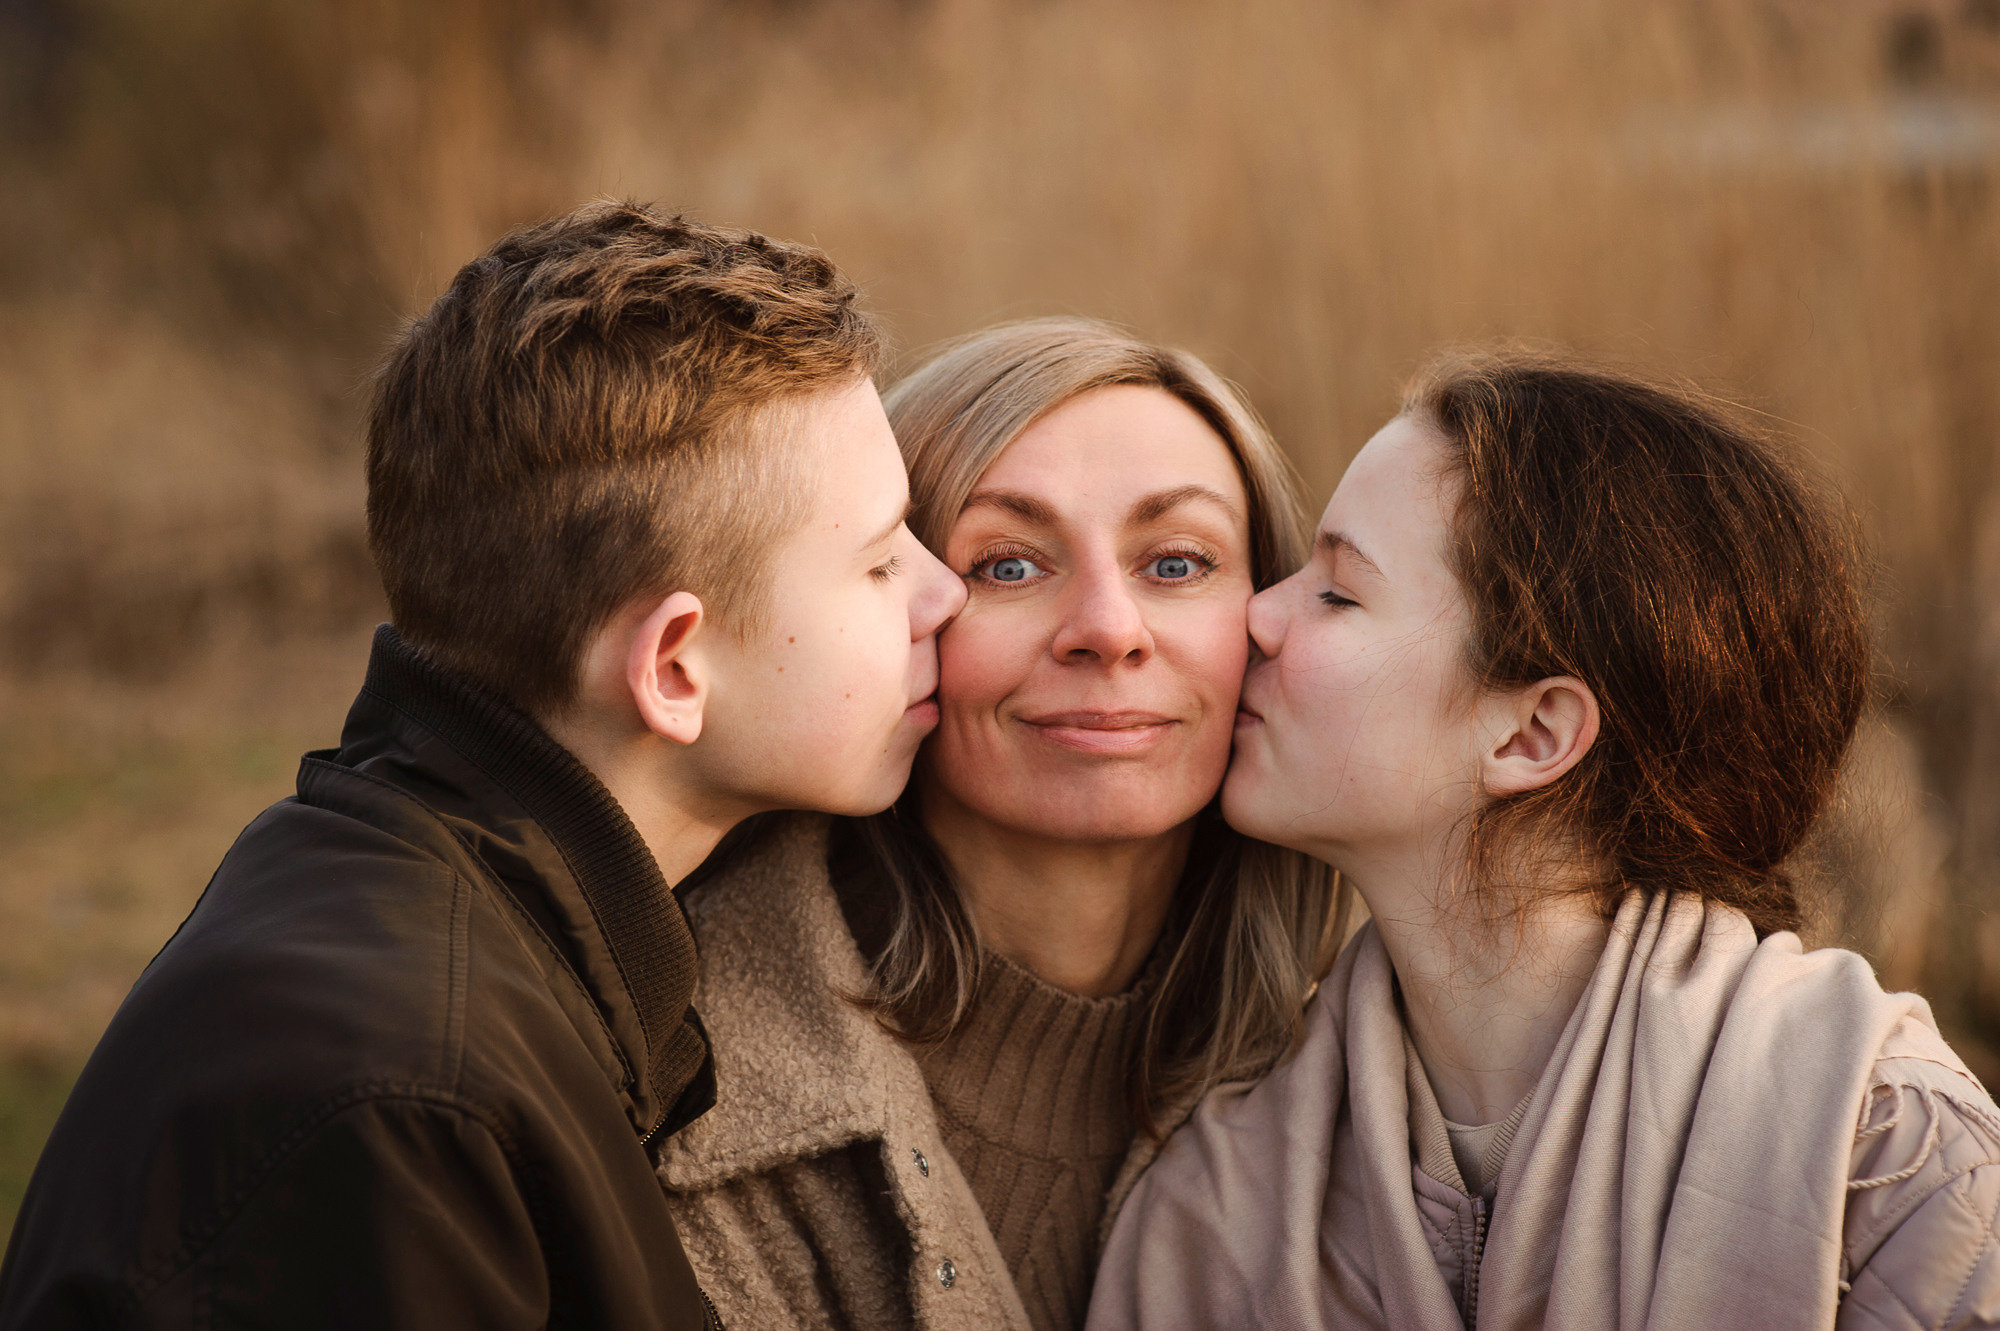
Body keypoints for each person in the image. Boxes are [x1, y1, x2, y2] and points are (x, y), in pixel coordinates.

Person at [0, 201, 965, 1328]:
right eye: (878, 560)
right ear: (671, 667)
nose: (939, 590)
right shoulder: (398, 1109)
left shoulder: (434, 916)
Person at [1088, 350, 2000, 1331]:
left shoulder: (1887, 1161)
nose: (1257, 613)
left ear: (1530, 735)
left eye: (1337, 591)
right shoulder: (1211, 1206)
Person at [656, 318, 1349, 1331]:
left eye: (1176, 562)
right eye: (1008, 567)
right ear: (884, 614)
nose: (1108, 629)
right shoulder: (669, 1083)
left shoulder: (1366, 1101)